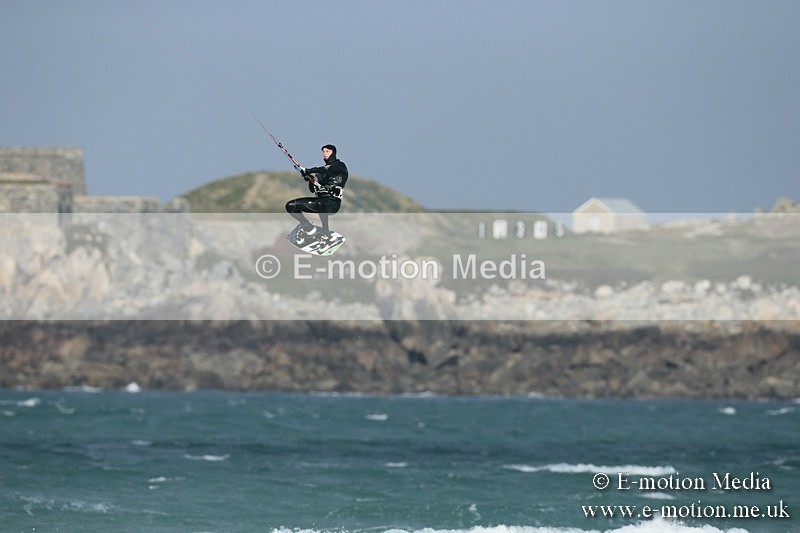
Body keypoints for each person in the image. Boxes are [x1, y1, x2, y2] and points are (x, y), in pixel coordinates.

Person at [285, 144, 348, 241]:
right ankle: (308, 228)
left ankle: (325, 232)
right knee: (290, 206)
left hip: (332, 203)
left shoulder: (339, 166)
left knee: (321, 202)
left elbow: (329, 169)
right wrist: (310, 178)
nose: (324, 153)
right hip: (320, 202)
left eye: (327, 151)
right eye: (323, 151)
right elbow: (312, 189)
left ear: (333, 153)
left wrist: (309, 170)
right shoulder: (320, 173)